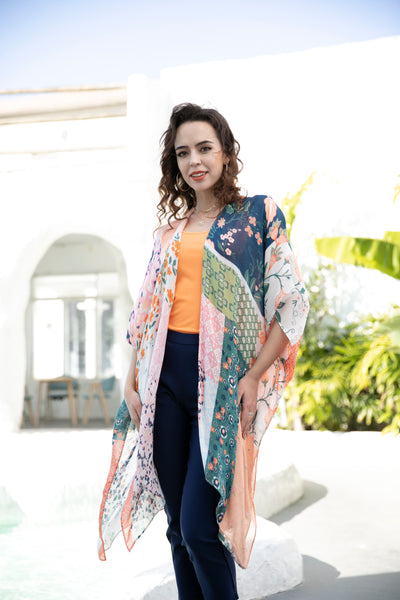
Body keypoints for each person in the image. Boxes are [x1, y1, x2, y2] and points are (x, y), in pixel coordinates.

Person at [98, 103, 309, 600]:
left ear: (226, 153)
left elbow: (291, 303)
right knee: (177, 528)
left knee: (199, 527)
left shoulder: (257, 215)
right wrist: (131, 383)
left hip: (221, 382)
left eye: (205, 148)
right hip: (162, 381)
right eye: (183, 152)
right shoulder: (169, 233)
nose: (194, 160)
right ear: (174, 163)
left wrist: (253, 376)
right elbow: (146, 315)